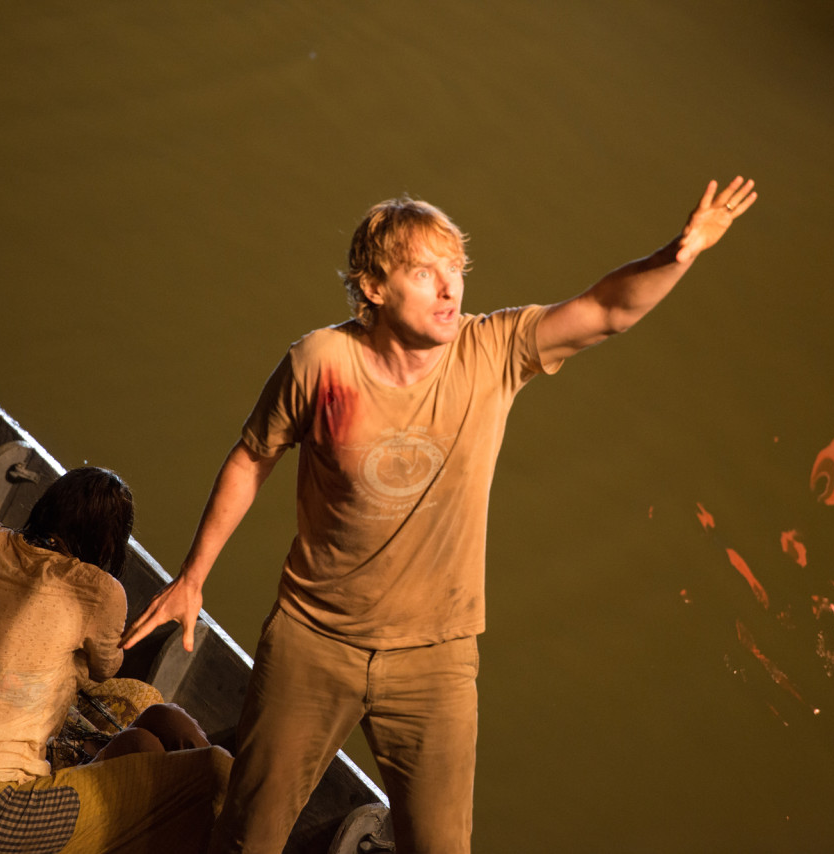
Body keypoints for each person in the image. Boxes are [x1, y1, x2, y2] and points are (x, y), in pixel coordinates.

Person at [121, 178, 758, 853]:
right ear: (373, 287)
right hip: (315, 641)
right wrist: (192, 576)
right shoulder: (321, 364)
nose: (450, 288)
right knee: (248, 839)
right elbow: (253, 457)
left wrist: (677, 254)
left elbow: (607, 310)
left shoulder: (492, 351)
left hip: (436, 660)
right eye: (425, 272)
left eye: (455, 269)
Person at [0, 467, 232, 854]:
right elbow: (105, 667)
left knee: (145, 735)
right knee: (216, 769)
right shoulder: (97, 589)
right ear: (108, 546)